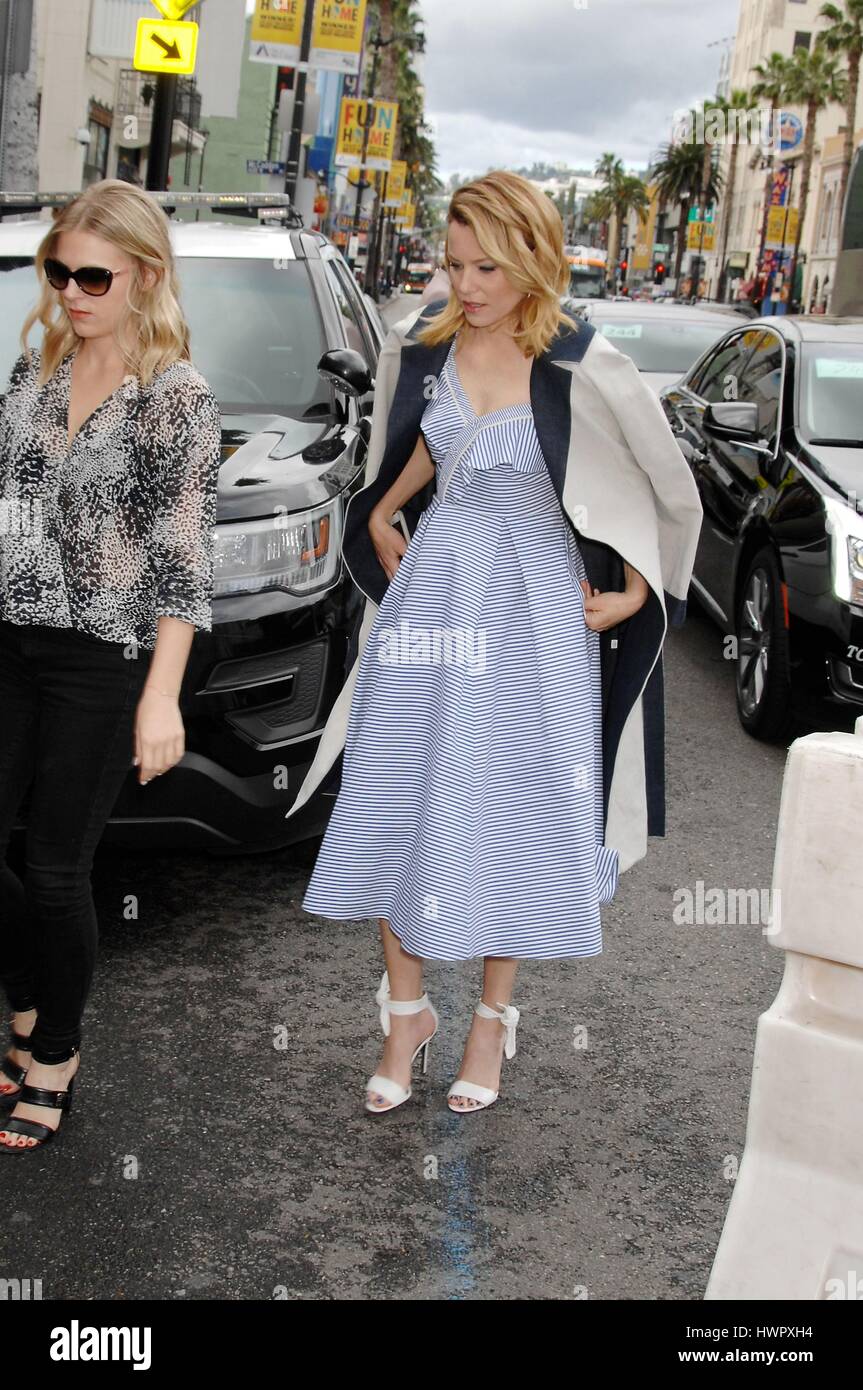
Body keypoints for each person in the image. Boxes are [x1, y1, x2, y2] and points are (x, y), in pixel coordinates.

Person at [288, 170, 702, 1117]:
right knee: (396, 797)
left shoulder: (580, 365)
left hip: (534, 621)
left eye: (488, 266)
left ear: (532, 263)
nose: (465, 283)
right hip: (431, 607)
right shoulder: (426, 349)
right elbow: (417, 448)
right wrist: (385, 510)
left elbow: (660, 484)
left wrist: (635, 584)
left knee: (508, 816)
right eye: (455, 261)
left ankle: (489, 1022)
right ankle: (405, 1018)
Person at [0, 179, 222, 1152]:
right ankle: (25, 994)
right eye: (59, 271)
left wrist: (159, 697)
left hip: (99, 656)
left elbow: (181, 560)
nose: (72, 291)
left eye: (94, 275)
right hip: (8, 636)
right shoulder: (36, 363)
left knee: (54, 867)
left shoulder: (174, 398)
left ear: (145, 276)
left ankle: (55, 1049)